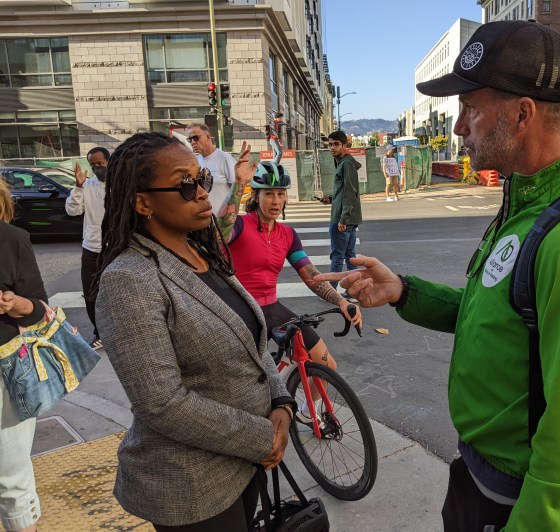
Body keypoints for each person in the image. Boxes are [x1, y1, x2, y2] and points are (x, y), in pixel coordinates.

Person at [315, 20, 560, 531]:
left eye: (471, 107)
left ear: (521, 114)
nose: (457, 127)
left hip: (523, 503)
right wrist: (405, 292)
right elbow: (492, 314)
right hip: (480, 477)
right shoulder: (526, 206)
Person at [94, 132, 295, 531]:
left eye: (202, 179)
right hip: (191, 486)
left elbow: (254, 347)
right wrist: (262, 437)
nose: (203, 192)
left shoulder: (201, 253)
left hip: (244, 466)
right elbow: (161, 402)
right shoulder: (129, 280)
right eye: (186, 184)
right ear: (142, 202)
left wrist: (282, 403)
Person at [217, 160, 362, 427]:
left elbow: (310, 275)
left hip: (272, 308)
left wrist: (341, 300)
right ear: (256, 195)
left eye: (281, 194)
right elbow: (221, 233)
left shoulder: (287, 234)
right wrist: (237, 186)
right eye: (269, 194)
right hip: (239, 310)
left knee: (327, 364)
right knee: (246, 383)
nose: (276, 200)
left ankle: (308, 409)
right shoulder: (240, 226)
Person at [0, 178, 45, 532]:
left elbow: (38, 309)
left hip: (4, 367)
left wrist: (16, 304)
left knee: (11, 479)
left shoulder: (11, 240)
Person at [65, 146, 110, 349]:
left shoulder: (121, 184)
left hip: (116, 248)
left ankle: (119, 332)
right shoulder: (87, 186)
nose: (97, 168)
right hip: (92, 248)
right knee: (91, 294)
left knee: (119, 293)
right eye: (93, 165)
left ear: (109, 162)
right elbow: (72, 210)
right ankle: (100, 333)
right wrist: (78, 187)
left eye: (100, 163)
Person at [327, 130, 362, 296]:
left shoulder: (346, 164)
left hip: (342, 218)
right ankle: (354, 289)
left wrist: (343, 219)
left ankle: (331, 291)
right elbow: (343, 191)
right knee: (350, 256)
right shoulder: (342, 163)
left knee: (337, 256)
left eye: (336, 144)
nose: (332, 148)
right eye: (330, 144)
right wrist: (330, 198)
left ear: (344, 145)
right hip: (347, 217)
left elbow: (350, 192)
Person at [185, 123, 236, 213]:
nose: (193, 142)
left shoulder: (225, 158)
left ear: (208, 137)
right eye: (190, 139)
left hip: (221, 221)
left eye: (196, 138)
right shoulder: (195, 162)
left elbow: (236, 192)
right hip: (202, 220)